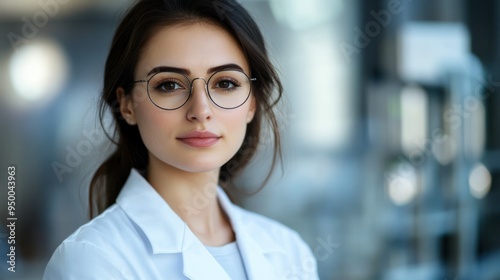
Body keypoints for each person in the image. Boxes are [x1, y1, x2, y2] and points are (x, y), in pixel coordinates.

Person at [44, 0, 318, 279]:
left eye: (225, 83)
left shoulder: (289, 252)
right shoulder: (92, 260)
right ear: (126, 104)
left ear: (252, 104)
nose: (201, 111)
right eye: (169, 85)